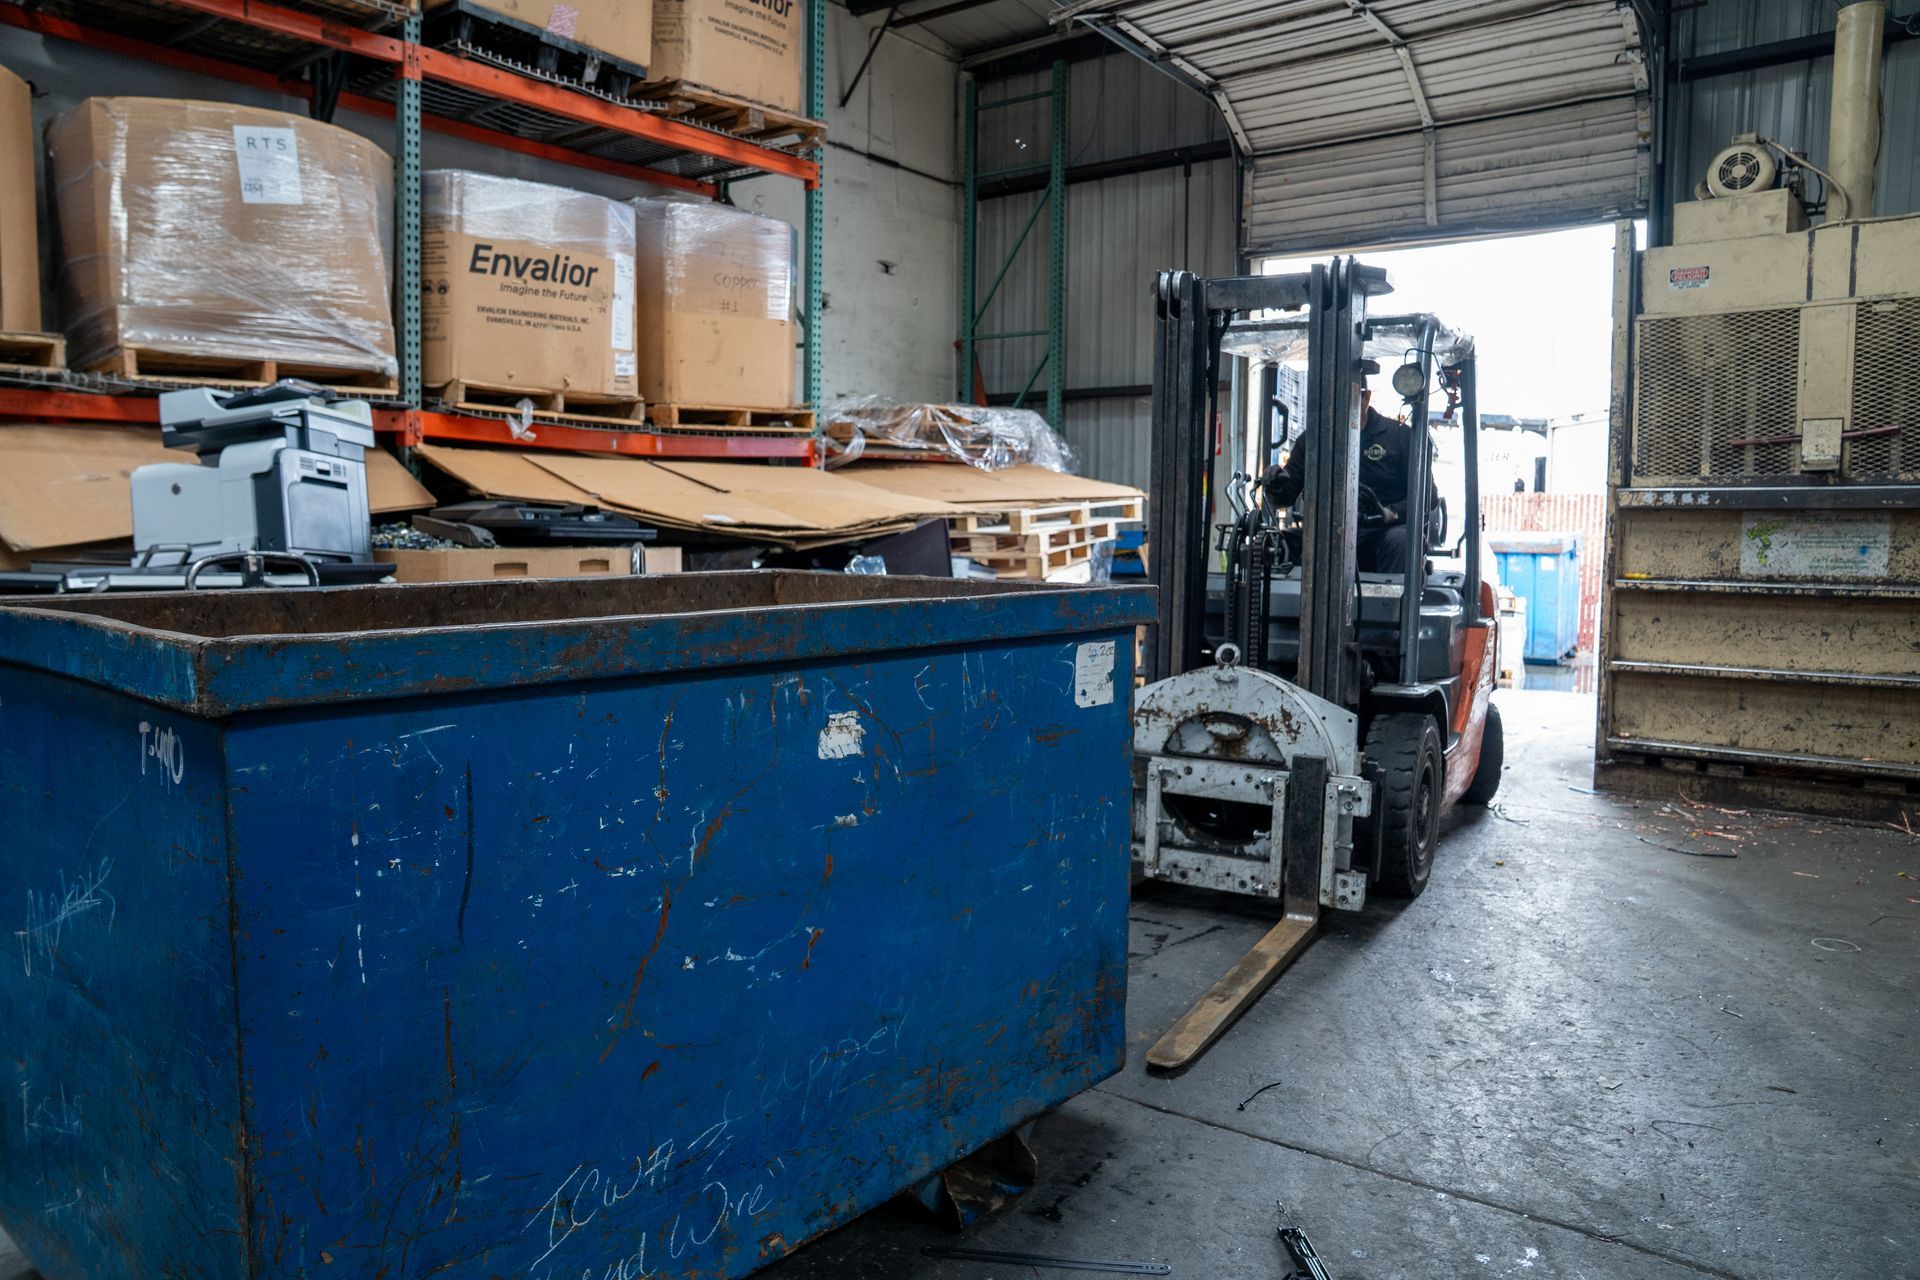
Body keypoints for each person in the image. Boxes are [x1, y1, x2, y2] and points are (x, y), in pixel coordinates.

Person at [1260, 380, 1439, 575]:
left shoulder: (1400, 437)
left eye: (1348, 399)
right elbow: (1286, 494)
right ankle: (1288, 603)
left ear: (1366, 398)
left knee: (1402, 541)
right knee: (1276, 544)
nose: (1340, 409)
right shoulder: (1313, 441)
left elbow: (1428, 496)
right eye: (1333, 400)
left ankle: (1392, 603)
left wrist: (1390, 514)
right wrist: (1276, 484)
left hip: (1381, 534)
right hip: (1328, 535)